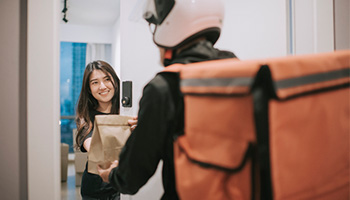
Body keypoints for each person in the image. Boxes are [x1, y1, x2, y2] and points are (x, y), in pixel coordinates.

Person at [97, 0, 237, 199]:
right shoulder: (238, 71)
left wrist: (111, 175)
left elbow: (131, 178)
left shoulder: (163, 88)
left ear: (172, 24)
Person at [75, 60, 137, 200]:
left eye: (107, 79)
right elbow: (92, 145)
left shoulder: (128, 112)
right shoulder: (85, 117)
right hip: (96, 190)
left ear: (115, 81)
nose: (102, 86)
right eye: (95, 82)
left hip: (125, 186)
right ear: (89, 89)